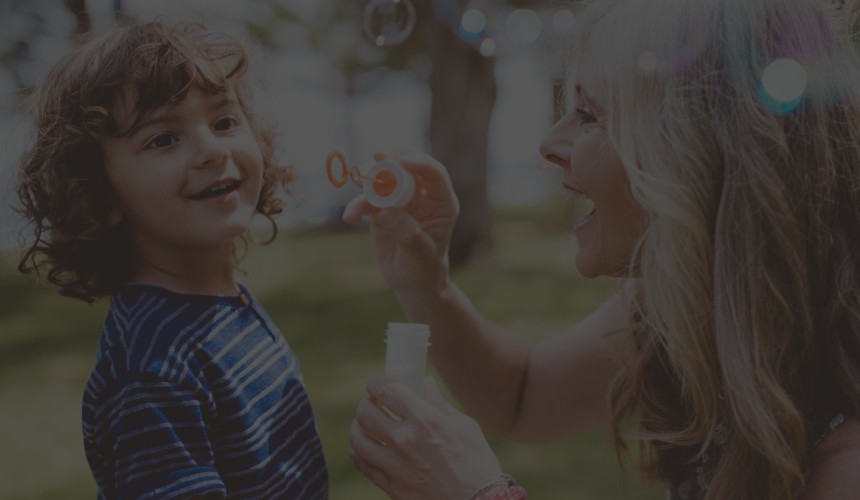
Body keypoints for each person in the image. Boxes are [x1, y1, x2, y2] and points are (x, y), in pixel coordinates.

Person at [342, 0, 860, 498]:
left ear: (697, 156)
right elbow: (523, 396)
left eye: (589, 115)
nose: (548, 143)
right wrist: (427, 284)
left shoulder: (846, 457)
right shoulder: (686, 302)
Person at [15, 22, 328, 499]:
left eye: (224, 122)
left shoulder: (221, 305)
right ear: (100, 195)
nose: (213, 149)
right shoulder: (149, 371)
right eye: (162, 139)